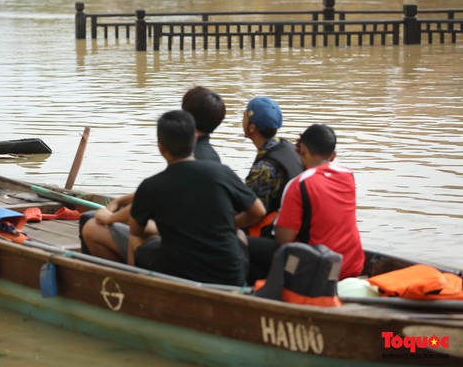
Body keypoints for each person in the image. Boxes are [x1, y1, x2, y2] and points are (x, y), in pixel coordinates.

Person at [88, 110, 266, 286]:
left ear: (161, 147)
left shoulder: (152, 185)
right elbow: (258, 211)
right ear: (194, 140)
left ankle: (134, 289)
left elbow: (136, 231)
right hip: (231, 274)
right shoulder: (222, 172)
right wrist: (232, 224)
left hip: (176, 272)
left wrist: (111, 217)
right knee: (240, 234)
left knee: (115, 234)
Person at [80, 86, 226, 256]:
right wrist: (122, 200)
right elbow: (165, 189)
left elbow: (149, 203)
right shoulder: (207, 154)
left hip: (182, 238)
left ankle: (117, 278)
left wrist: (111, 216)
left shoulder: (192, 156)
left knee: (90, 221)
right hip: (192, 229)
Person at [248, 124, 364, 283]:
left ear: (301, 150)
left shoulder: (300, 184)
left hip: (316, 269)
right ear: (333, 155)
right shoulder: (348, 175)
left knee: (240, 242)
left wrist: (281, 217)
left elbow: (284, 241)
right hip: (351, 266)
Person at [241, 96, 302, 237]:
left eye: (244, 116)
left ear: (252, 127)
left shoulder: (265, 168)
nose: (242, 121)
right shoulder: (290, 148)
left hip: (276, 236)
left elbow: (252, 213)